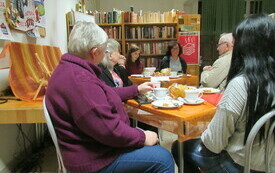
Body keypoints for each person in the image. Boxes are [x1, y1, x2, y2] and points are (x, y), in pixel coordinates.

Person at [45, 21, 174, 173]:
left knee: (154, 150)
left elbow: (107, 92)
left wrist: (136, 89)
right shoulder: (81, 81)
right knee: (163, 158)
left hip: (92, 147)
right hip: (95, 159)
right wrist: (142, 136)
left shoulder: (71, 68)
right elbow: (109, 130)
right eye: (104, 49)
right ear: (94, 52)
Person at [171, 14, 275, 173]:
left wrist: (206, 130)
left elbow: (213, 144)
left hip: (241, 165)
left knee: (180, 146)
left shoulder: (241, 84)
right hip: (269, 164)